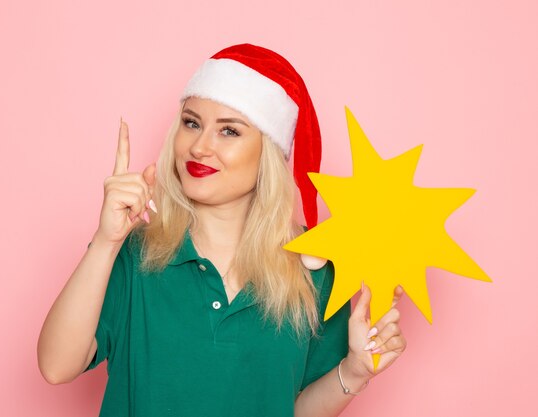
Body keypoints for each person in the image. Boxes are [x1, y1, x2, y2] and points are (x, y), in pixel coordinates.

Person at [37, 43, 406, 417]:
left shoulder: (316, 276)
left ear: (269, 152)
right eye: (191, 123)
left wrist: (354, 371)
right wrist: (106, 241)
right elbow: (56, 366)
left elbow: (288, 410)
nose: (199, 146)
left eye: (229, 131)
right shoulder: (133, 254)